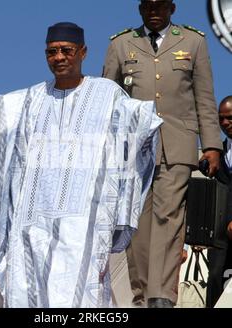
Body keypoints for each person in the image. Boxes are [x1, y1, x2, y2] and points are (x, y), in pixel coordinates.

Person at [0, 22, 162, 308]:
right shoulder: (28, 102)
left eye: (66, 50)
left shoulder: (107, 95)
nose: (59, 57)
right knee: (29, 293)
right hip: (31, 223)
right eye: (52, 52)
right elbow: (0, 157)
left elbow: (136, 135)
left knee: (82, 297)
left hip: (84, 222)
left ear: (83, 53)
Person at [103, 0, 222, 308]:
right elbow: (107, 102)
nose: (153, 11)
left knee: (168, 218)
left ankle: (161, 295)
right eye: (147, 6)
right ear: (140, 9)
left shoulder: (193, 42)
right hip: (132, 150)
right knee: (138, 224)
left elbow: (204, 97)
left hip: (177, 145)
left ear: (172, 8)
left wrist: (211, 145)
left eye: (160, 5)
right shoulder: (121, 44)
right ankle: (143, 297)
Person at [206, 96, 232, 308]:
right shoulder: (217, 154)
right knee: (215, 279)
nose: (225, 123)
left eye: (230, 118)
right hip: (220, 234)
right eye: (221, 119)